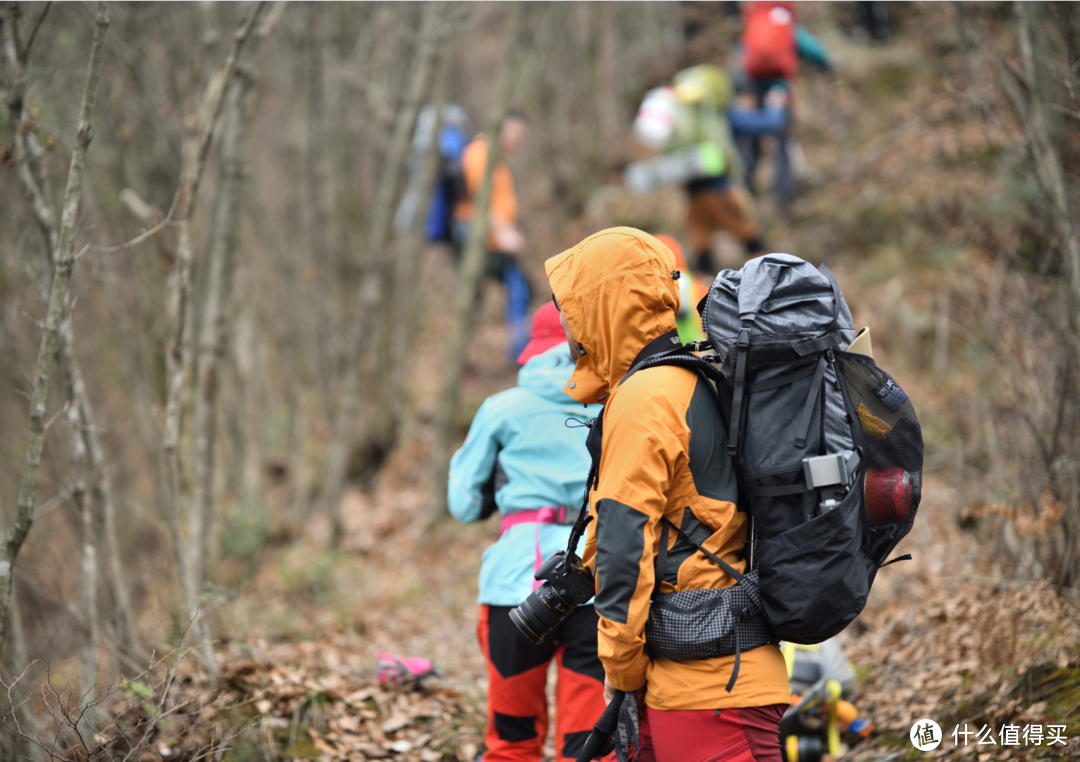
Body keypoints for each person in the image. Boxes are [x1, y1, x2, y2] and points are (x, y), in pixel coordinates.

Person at [545, 227, 791, 762]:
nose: (567, 324)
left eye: (573, 307)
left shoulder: (646, 397)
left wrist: (619, 668)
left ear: (605, 306)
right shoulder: (691, 378)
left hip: (710, 689)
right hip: (702, 675)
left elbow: (623, 543)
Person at [448, 302, 606, 762]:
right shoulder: (614, 405)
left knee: (512, 738)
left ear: (532, 351)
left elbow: (463, 504)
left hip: (516, 585)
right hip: (595, 582)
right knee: (586, 745)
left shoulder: (502, 410)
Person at [632, 64, 785, 274]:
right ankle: (773, 284)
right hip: (722, 192)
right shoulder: (719, 115)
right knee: (752, 240)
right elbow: (762, 124)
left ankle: (701, 300)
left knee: (703, 255)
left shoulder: (687, 120)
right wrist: (775, 104)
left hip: (693, 197)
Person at [732, 1, 832, 206]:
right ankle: (784, 194)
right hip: (780, 88)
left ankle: (746, 188)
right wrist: (826, 64)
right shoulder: (785, 21)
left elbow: (741, 52)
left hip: (753, 87)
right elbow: (812, 48)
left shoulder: (755, 19)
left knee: (753, 138)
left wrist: (739, 85)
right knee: (782, 139)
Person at [453, 111, 532, 361]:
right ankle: (462, 362)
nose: (517, 142)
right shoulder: (480, 153)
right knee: (470, 299)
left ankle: (519, 352)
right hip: (476, 241)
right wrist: (503, 232)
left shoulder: (498, 158)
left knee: (522, 287)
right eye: (516, 135)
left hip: (495, 242)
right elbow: (480, 198)